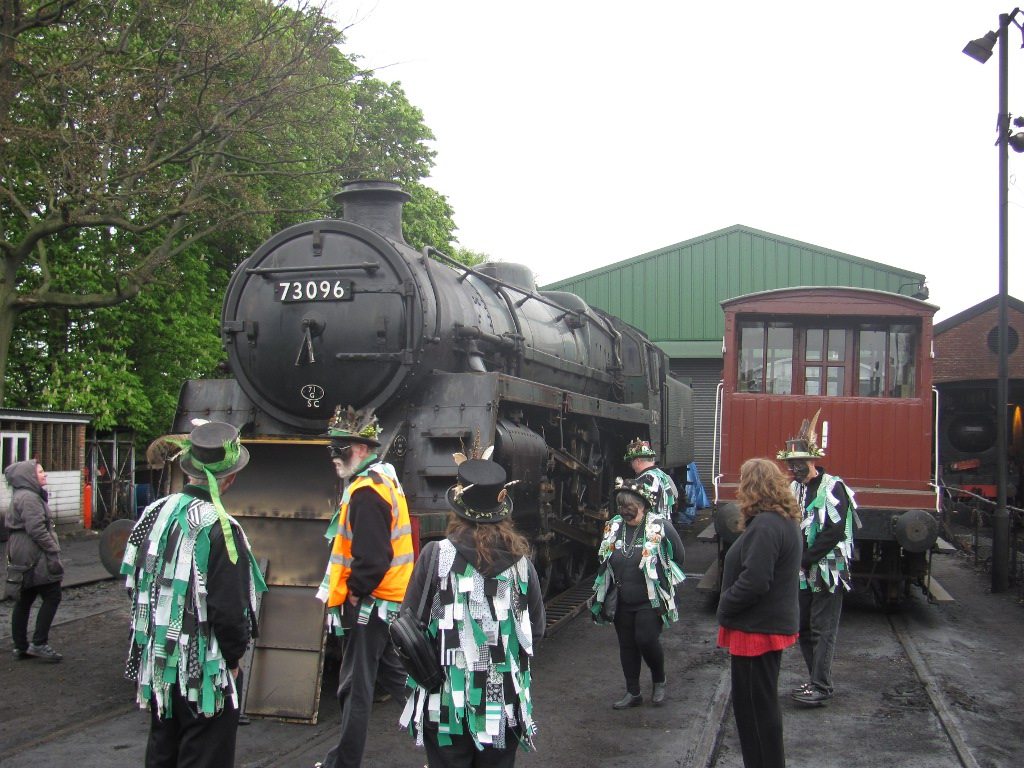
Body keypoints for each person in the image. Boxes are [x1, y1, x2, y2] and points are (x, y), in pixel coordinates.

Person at [121, 420, 266, 768]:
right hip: (206, 673)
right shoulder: (222, 529)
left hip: (159, 663)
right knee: (204, 754)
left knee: (162, 750)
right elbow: (229, 611)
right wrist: (233, 660)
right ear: (229, 479)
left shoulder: (154, 513)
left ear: (189, 470)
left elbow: (135, 581)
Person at [399, 452, 545, 767]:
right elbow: (535, 632)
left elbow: (409, 621)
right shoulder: (523, 566)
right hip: (502, 702)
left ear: (458, 510)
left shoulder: (434, 556)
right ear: (502, 511)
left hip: (444, 701)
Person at [314, 405, 414, 768]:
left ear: (360, 449)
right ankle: (446, 745)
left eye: (338, 449)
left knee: (355, 688)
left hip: (371, 604)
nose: (333, 455)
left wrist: (355, 590)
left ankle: (343, 763)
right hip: (389, 599)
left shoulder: (367, 491)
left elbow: (373, 557)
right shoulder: (383, 477)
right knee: (397, 678)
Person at [716, 458, 802, 768]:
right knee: (760, 707)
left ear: (753, 485)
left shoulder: (765, 526)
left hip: (757, 629)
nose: (739, 487)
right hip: (764, 625)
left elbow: (755, 582)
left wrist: (725, 603)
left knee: (754, 711)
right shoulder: (781, 521)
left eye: (743, 481)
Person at [776, 410, 856, 707]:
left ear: (812, 460)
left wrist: (806, 558)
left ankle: (821, 685)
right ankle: (816, 681)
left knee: (823, 627)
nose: (793, 469)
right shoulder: (794, 488)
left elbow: (834, 529)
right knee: (804, 626)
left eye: (798, 464)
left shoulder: (833, 487)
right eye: (790, 464)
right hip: (803, 568)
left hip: (828, 567)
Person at [590, 476, 685, 708]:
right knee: (627, 645)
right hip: (622, 599)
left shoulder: (660, 526)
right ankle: (633, 692)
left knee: (646, 639)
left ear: (642, 505)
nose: (624, 511)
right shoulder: (614, 527)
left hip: (649, 600)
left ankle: (659, 679)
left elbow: (679, 556)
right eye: (621, 507)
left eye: (629, 507)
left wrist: (664, 579)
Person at [5, 459, 64, 662]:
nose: (44, 474)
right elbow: (36, 529)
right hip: (33, 552)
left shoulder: (23, 495)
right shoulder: (29, 498)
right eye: (40, 471)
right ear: (28, 476)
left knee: (25, 596)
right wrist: (53, 549)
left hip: (22, 550)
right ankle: (39, 643)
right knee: (52, 594)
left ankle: (21, 646)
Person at [623, 438, 679, 522]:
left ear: (638, 461)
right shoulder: (663, 475)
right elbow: (675, 498)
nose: (631, 465)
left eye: (631, 461)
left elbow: (637, 506)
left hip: (651, 526)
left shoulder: (647, 478)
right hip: (665, 523)